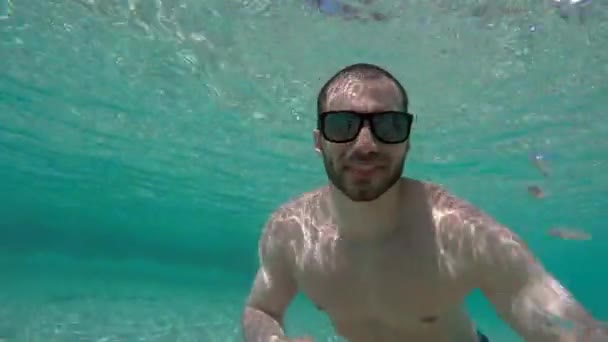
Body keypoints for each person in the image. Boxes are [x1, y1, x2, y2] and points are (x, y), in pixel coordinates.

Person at [240, 63, 606, 341]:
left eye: (390, 126)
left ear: (407, 141)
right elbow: (260, 308)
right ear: (319, 141)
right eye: (342, 125)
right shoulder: (289, 231)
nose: (366, 145)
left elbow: (560, 321)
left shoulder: (460, 231)